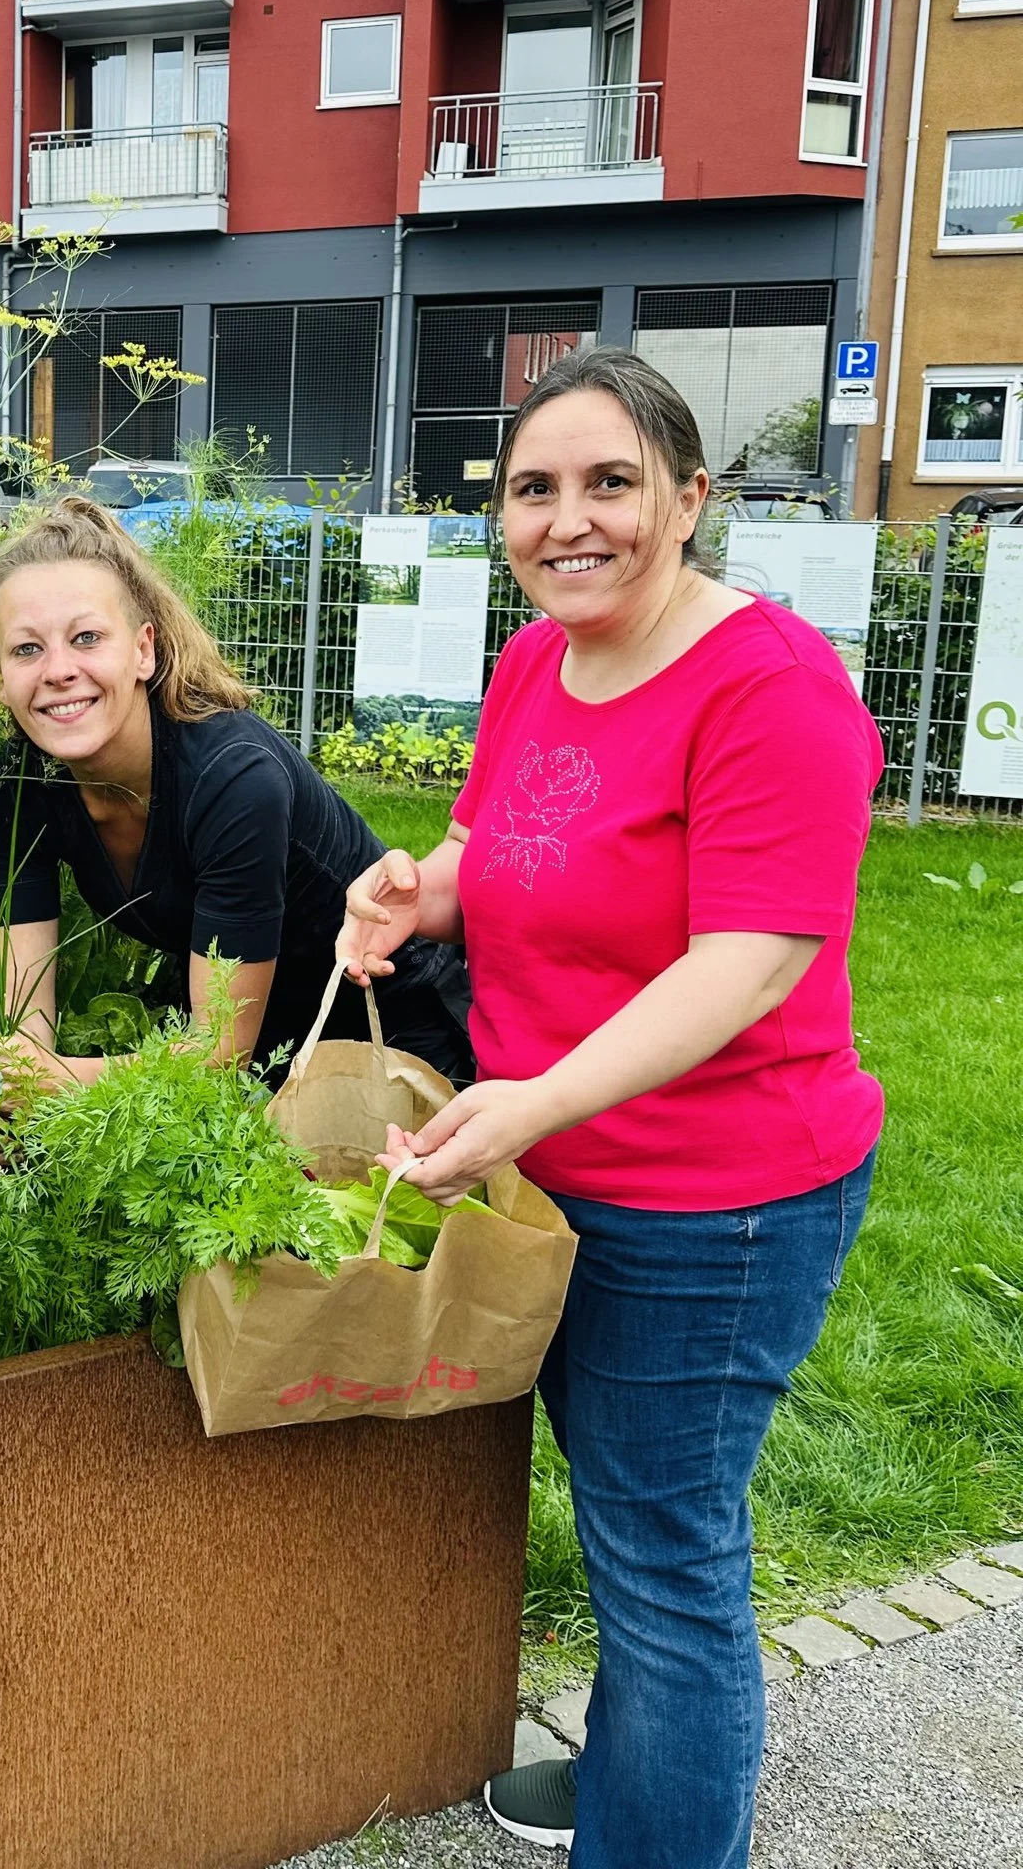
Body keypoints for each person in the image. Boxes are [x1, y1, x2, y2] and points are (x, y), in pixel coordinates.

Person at [336, 347, 883, 1868]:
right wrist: (409, 895)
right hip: (559, 1174)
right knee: (633, 1512)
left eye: (610, 483)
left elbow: (752, 963)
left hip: (717, 1204)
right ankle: (646, 1759)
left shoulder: (772, 688)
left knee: (665, 1556)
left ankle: (658, 1819)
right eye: (534, 490)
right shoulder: (538, 663)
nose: (568, 521)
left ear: (690, 500)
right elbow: (489, 850)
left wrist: (528, 1105)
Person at [0, 496, 472, 1093]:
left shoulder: (233, 778)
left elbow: (215, 1055)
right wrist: (7, 1090)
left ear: (143, 650)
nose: (57, 670)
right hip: (252, 1057)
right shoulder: (16, 792)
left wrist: (49, 1081)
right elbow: (23, 1024)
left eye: (86, 637)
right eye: (27, 649)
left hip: (388, 1042)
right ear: (1, 676)